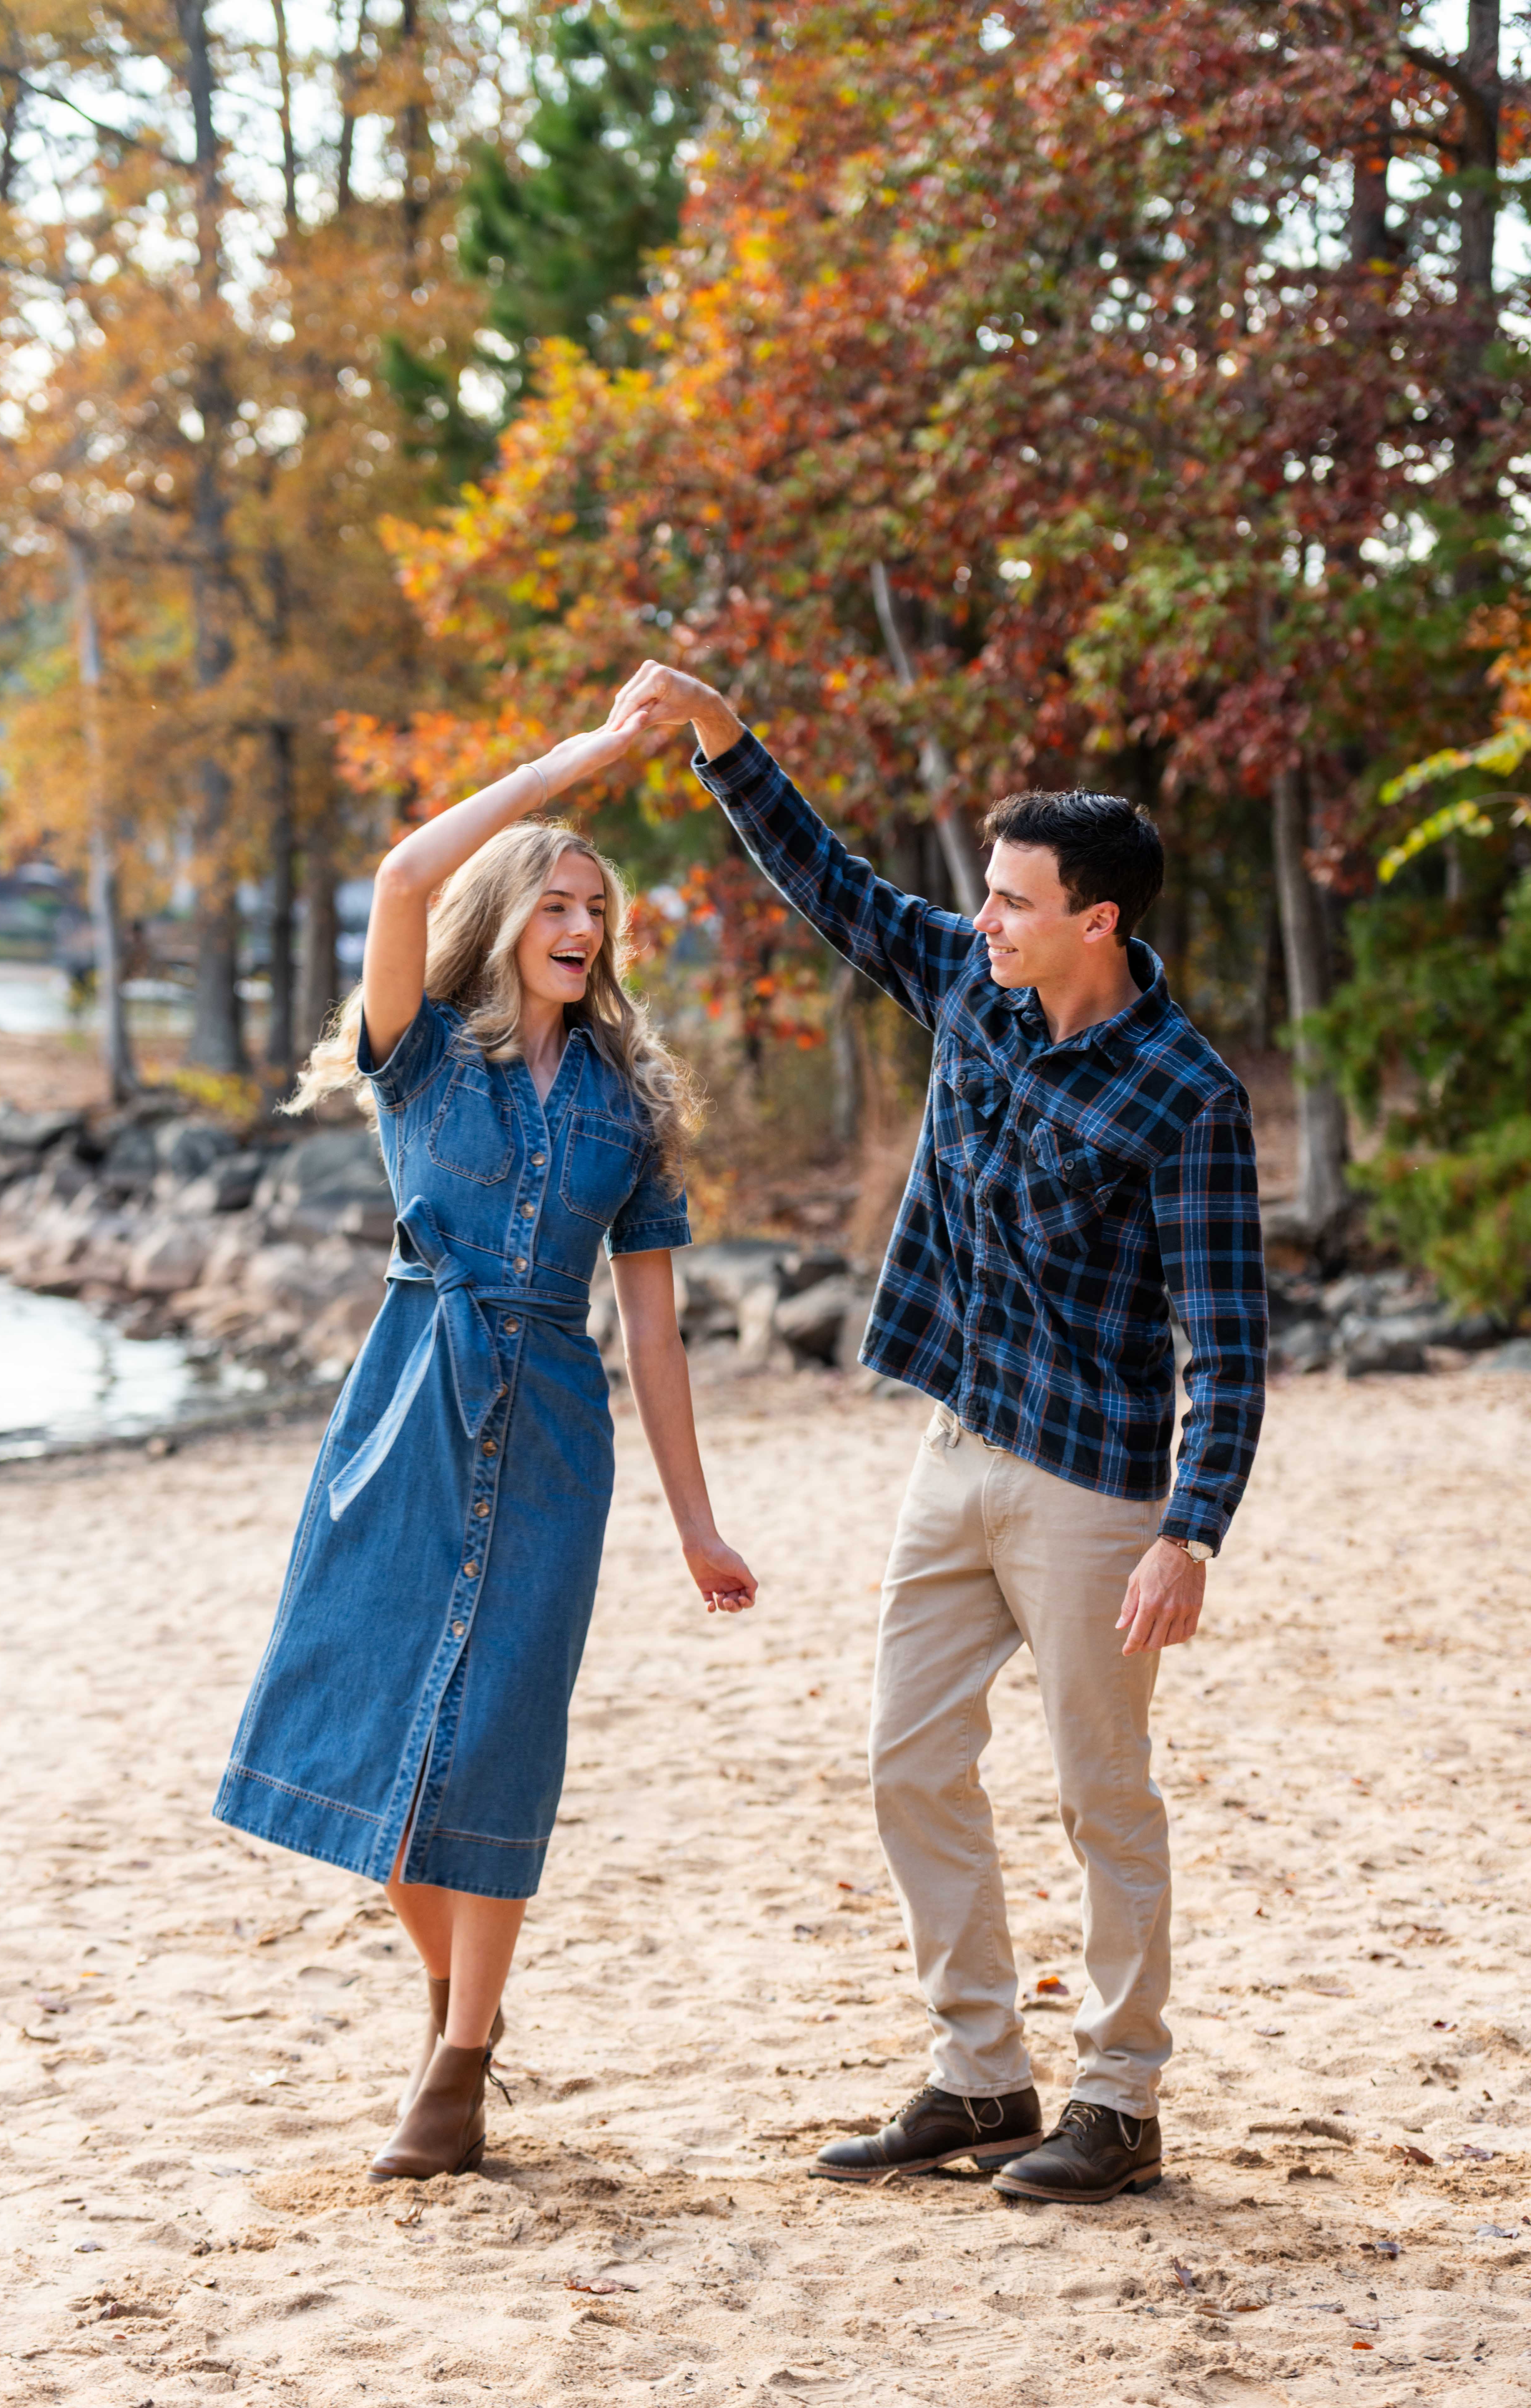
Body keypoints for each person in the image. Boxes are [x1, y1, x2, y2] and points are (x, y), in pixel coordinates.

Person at [609, 660, 1267, 2206]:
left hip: (1094, 1485)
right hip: (955, 1445)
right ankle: (980, 2071)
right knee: (906, 1758)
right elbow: (829, 884)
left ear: (1095, 920)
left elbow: (1227, 1340)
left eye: (1012, 900)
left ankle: (1118, 2097)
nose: (981, 917)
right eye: (982, 894)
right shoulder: (969, 982)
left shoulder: (1184, 1094)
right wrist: (720, 736)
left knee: (1102, 1792)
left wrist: (1189, 1528)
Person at [214, 697, 756, 2185]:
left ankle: (457, 2060)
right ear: (511, 916)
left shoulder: (628, 1107)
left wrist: (695, 1523)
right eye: (558, 899)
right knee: (375, 1730)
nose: (581, 922)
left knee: (497, 1743)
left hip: (552, 1431)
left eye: (599, 906)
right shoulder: (422, 1059)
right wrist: (582, 757)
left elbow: (653, 1330)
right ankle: (467, 2001)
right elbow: (400, 878)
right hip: (403, 1409)